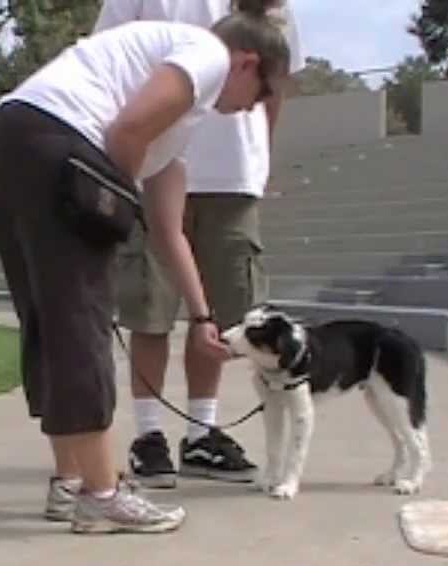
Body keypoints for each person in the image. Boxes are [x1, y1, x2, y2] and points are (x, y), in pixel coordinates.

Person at [0, 0, 294, 533]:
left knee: (53, 320)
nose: (255, 108)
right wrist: (110, 216)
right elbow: (126, 133)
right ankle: (102, 494)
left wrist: (200, 316)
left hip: (12, 138)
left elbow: (168, 231)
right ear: (246, 62)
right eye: (263, 92)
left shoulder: (176, 121)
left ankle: (72, 481)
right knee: (81, 321)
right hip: (57, 140)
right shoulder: (207, 53)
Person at [94, 0, 304, 488]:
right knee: (151, 306)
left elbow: (276, 83)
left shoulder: (273, 7)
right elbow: (114, 60)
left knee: (221, 315)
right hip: (156, 162)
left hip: (233, 174)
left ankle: (202, 432)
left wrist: (261, 157)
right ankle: (149, 436)